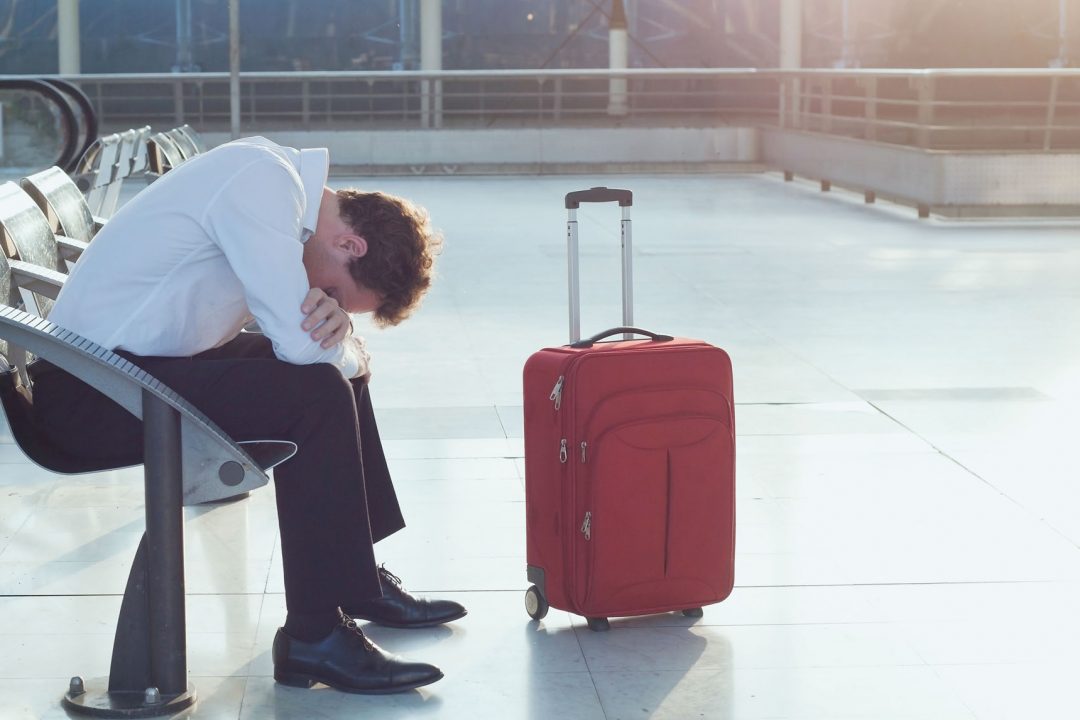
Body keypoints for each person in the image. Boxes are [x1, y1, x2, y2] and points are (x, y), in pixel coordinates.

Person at [29, 136, 463, 694]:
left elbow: (306, 343)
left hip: (130, 369)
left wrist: (343, 345)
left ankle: (354, 581)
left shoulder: (274, 181)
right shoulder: (262, 184)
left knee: (334, 376)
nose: (321, 297)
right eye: (333, 291)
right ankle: (314, 635)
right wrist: (345, 347)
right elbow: (302, 347)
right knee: (319, 388)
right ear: (349, 244)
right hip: (88, 394)